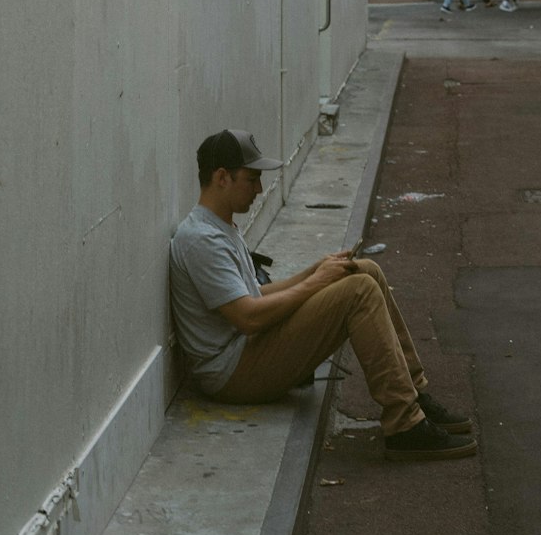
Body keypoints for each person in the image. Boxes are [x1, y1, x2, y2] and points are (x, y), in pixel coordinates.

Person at [169, 129, 476, 461]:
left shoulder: (220, 226)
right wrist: (316, 284)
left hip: (246, 353)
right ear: (222, 177)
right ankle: (405, 425)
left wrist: (316, 270)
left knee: (364, 270)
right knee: (357, 291)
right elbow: (248, 317)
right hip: (231, 374)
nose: (259, 189)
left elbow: (254, 295)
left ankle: (413, 394)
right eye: (252, 178)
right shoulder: (201, 240)